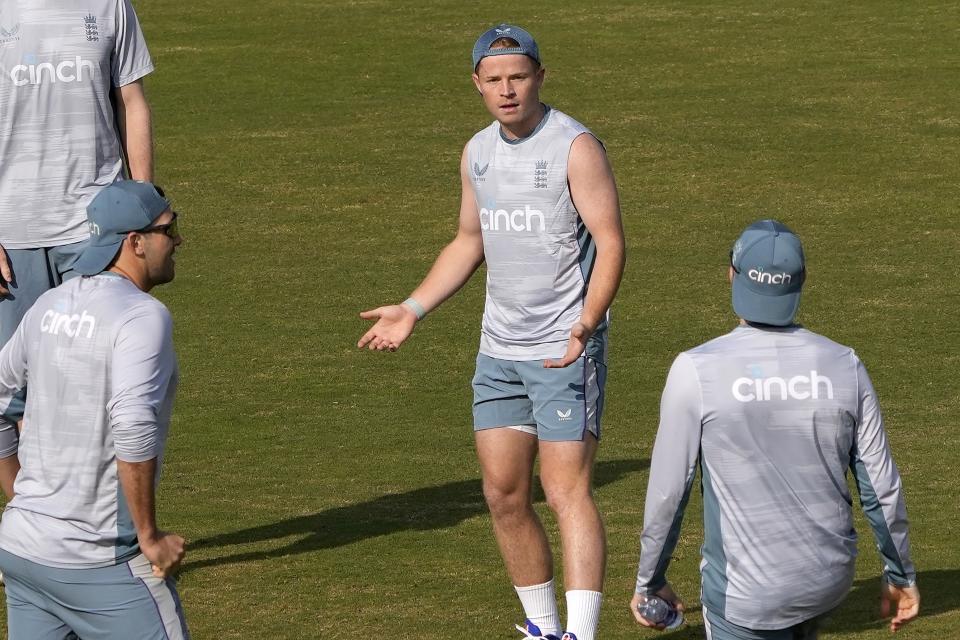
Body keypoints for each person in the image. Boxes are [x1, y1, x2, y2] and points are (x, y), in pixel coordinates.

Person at [358, 24, 625, 640]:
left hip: (565, 348)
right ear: (477, 84)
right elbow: (469, 240)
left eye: (519, 77)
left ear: (539, 78)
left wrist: (586, 324)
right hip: (499, 350)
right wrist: (412, 309)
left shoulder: (575, 147)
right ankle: (541, 628)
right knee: (505, 494)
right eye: (496, 79)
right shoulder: (476, 151)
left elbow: (610, 242)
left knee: (565, 492)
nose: (508, 90)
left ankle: (581, 636)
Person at [631, 220, 919, 639]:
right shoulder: (845, 365)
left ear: (732, 274)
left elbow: (668, 493)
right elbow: (880, 486)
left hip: (746, 597)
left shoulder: (695, 371)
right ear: (801, 283)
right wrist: (900, 574)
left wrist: (648, 581)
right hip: (828, 582)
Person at [0, 180, 188, 639]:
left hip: (23, 552)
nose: (179, 240)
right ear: (135, 243)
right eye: (170, 227)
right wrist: (148, 535)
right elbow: (133, 424)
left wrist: (20, 498)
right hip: (101, 562)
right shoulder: (141, 316)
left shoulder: (49, 303)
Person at [0, 0, 156, 493]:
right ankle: (33, 525)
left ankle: (101, 531)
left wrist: (142, 205)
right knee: (12, 401)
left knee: (98, 393)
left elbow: (132, 101)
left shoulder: (110, 5)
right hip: (13, 236)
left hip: (96, 232)